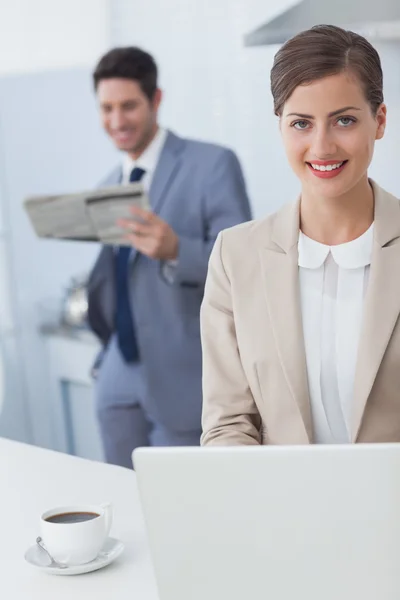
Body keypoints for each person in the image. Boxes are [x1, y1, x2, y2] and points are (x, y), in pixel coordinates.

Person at [201, 24, 400, 446]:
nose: (322, 146)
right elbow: (228, 425)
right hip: (281, 507)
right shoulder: (235, 257)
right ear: (280, 127)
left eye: (344, 120)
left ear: (379, 121)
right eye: (301, 123)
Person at [87, 46, 252, 467]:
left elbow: (245, 265)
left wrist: (176, 249)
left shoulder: (212, 163)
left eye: (128, 106)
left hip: (185, 370)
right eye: (107, 108)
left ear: (155, 100)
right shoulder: (108, 185)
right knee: (122, 493)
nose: (117, 121)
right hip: (118, 369)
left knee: (186, 505)